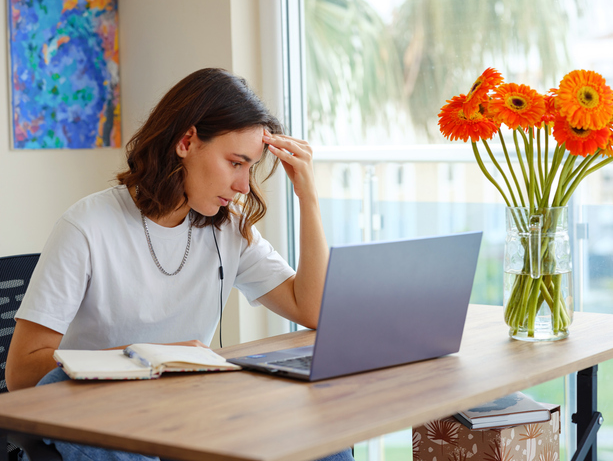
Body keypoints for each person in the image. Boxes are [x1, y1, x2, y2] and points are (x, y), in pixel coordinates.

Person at [6, 68, 353, 461]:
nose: (244, 185)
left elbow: (312, 310)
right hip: (102, 412)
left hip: (190, 410)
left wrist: (308, 197)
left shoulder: (229, 228)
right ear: (187, 141)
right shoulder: (86, 226)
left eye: (250, 168)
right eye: (235, 163)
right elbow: (21, 374)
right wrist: (150, 356)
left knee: (323, 435)